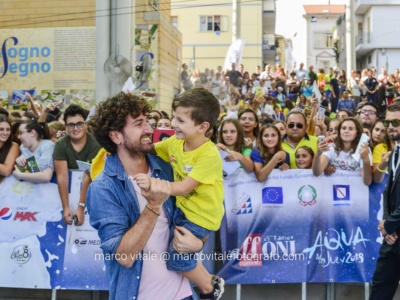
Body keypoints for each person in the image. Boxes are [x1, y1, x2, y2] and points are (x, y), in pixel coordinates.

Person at [86, 92, 203, 300]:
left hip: (183, 294)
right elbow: (124, 257)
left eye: (148, 121)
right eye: (139, 124)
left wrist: (199, 243)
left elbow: (198, 215)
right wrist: (154, 206)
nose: (150, 129)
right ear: (116, 136)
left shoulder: (167, 169)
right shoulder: (103, 188)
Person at [135, 88, 225, 300]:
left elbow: (184, 187)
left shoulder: (209, 154)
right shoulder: (175, 142)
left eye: (180, 120)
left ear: (202, 127)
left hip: (201, 217)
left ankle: (208, 290)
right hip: (184, 211)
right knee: (183, 254)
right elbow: (153, 149)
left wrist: (152, 183)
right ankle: (212, 282)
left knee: (178, 260)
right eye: (174, 117)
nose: (173, 124)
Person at [370, 102, 400, 300]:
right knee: (380, 291)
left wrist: (390, 225)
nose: (390, 127)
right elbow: (389, 195)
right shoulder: (393, 153)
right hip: (392, 238)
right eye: (388, 122)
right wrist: (388, 227)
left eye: (396, 122)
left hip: (394, 229)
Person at [53, 104, 101, 225]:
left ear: (86, 124)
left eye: (79, 123)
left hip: (90, 195)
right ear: (65, 126)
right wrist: (66, 207)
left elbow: (89, 175)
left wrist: (81, 206)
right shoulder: (60, 145)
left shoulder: (96, 144)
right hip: (65, 194)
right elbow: (62, 177)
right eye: (71, 125)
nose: (75, 128)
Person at [312, 117, 372, 186]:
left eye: (351, 129)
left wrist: (366, 159)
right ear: (339, 131)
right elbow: (317, 172)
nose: (346, 131)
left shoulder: (364, 149)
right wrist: (318, 154)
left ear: (357, 133)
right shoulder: (331, 147)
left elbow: (367, 182)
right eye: (343, 128)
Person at [0, 116, 19, 183]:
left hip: (4, 185)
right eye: (1, 129)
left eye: (8, 130)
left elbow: (6, 171)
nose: (5, 133)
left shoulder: (13, 145)